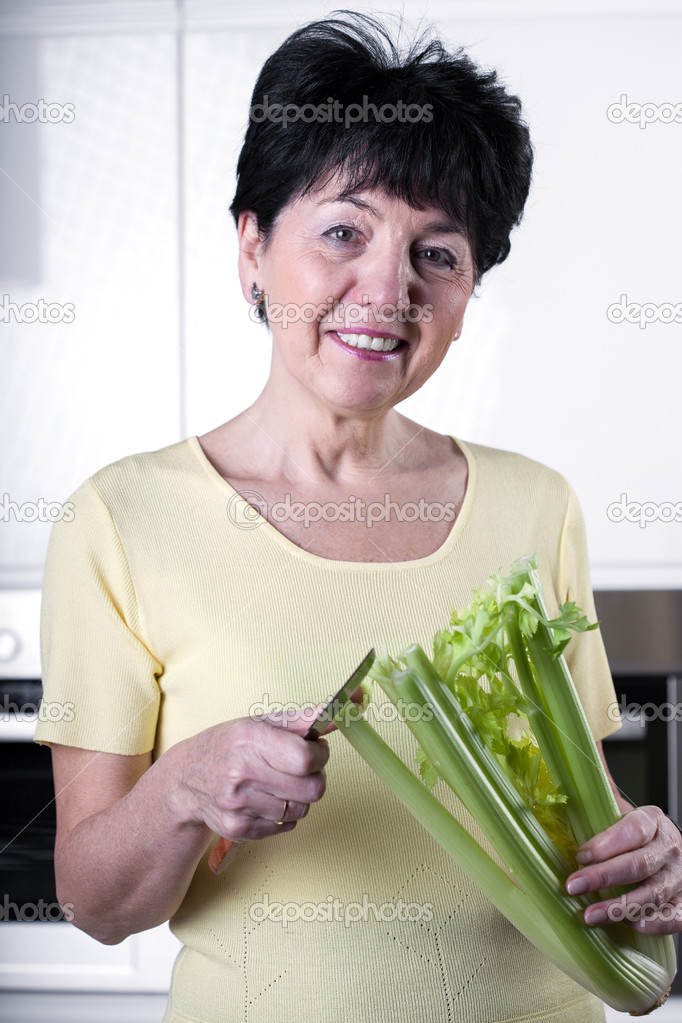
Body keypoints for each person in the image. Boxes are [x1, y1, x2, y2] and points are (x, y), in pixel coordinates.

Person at [35, 11, 681, 1023]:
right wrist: (179, 792)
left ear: (471, 290)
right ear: (252, 249)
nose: (387, 291)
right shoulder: (118, 520)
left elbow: (585, 832)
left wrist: (647, 858)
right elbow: (92, 901)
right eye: (343, 231)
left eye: (439, 254)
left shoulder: (534, 507)